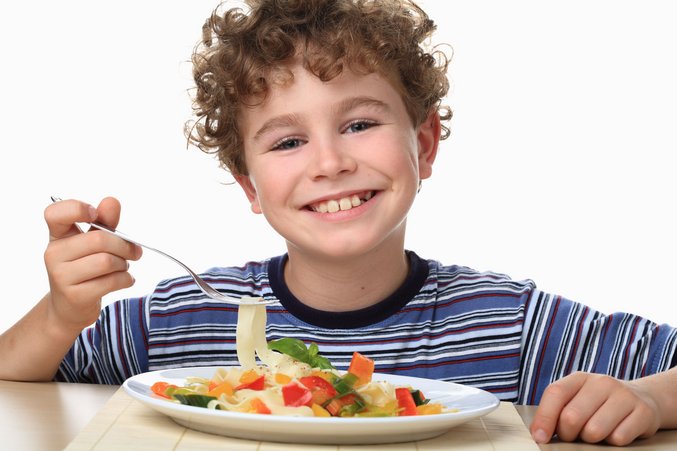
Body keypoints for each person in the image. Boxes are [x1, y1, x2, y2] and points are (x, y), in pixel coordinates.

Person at [1, 0, 676, 446]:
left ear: (425, 144)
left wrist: (646, 398)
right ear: (251, 187)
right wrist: (62, 312)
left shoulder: (510, 323)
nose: (328, 161)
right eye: (286, 141)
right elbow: (13, 379)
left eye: (358, 123)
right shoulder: (178, 318)